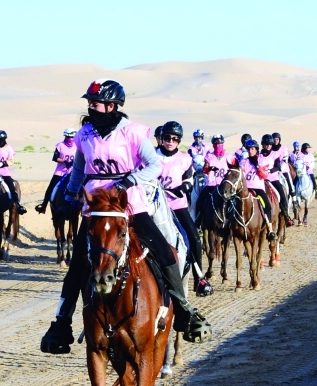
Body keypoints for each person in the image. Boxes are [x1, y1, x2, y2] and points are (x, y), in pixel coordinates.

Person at [40, 79, 212, 354]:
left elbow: (153, 165)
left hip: (130, 204)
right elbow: (78, 171)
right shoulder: (84, 134)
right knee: (77, 266)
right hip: (97, 208)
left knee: (166, 253)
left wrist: (128, 182)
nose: (90, 107)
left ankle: (184, 310)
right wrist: (71, 197)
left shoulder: (132, 132)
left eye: (94, 103)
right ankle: (61, 323)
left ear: (112, 106)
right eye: (89, 103)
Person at [156, 121, 214, 296]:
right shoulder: (151, 156)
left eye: (175, 139)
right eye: (167, 138)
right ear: (161, 138)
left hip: (176, 205)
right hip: (156, 206)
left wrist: (183, 188)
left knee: (195, 238)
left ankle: (199, 279)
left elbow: (189, 179)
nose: (170, 141)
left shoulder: (185, 159)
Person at [35, 128, 78, 214]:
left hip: (73, 172)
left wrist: (74, 162)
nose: (71, 139)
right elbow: (55, 158)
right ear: (65, 136)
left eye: (72, 137)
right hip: (60, 172)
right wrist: (64, 161)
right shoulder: (60, 145)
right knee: (50, 188)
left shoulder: (78, 146)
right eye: (69, 137)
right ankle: (43, 206)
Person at [241, 139, 277, 240]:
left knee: (268, 206)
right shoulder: (244, 161)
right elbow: (242, 174)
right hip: (246, 188)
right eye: (249, 149)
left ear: (256, 149)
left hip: (258, 188)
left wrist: (258, 166)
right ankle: (227, 226)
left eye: (252, 149)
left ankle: (270, 230)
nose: (250, 151)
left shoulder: (261, 161)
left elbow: (264, 175)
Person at [195, 134, 232, 220]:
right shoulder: (209, 156)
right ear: (213, 145)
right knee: (200, 199)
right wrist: (209, 168)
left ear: (223, 144)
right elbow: (205, 170)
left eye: (219, 144)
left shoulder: (229, 156)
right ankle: (199, 220)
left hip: (224, 185)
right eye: (215, 144)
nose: (217, 146)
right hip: (211, 184)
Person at [261, 134, 294, 226]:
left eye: (270, 144)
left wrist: (269, 170)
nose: (268, 146)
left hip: (273, 179)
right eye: (266, 144)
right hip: (261, 180)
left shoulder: (275, 155)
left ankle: (286, 217)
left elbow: (278, 167)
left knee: (283, 197)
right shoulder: (258, 156)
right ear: (262, 144)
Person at [271, 132, 296, 200]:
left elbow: (285, 161)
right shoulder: (270, 149)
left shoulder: (284, 149)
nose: (276, 141)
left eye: (277, 139)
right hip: (272, 170)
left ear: (279, 140)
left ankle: (294, 198)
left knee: (289, 181)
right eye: (274, 139)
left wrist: (279, 169)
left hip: (283, 169)